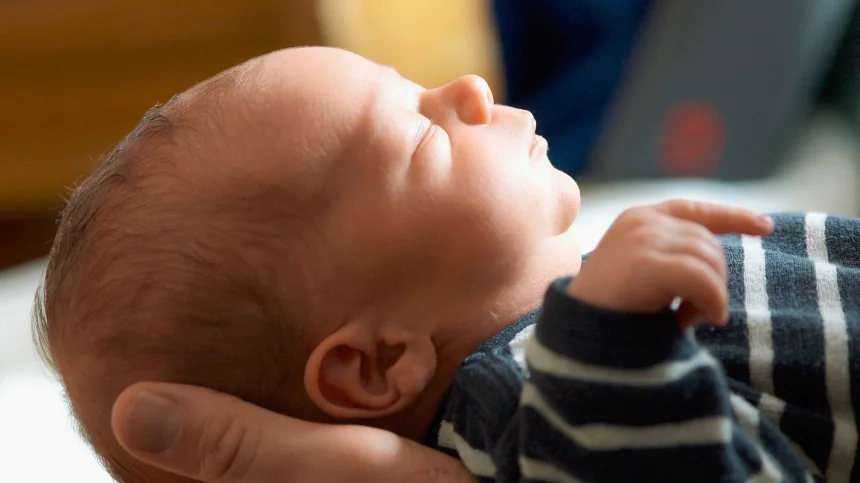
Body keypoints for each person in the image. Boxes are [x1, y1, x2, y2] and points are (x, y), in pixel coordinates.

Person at [33, 46, 858, 482]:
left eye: (419, 87)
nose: (466, 90)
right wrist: (604, 349)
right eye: (423, 134)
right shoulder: (539, 412)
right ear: (381, 360)